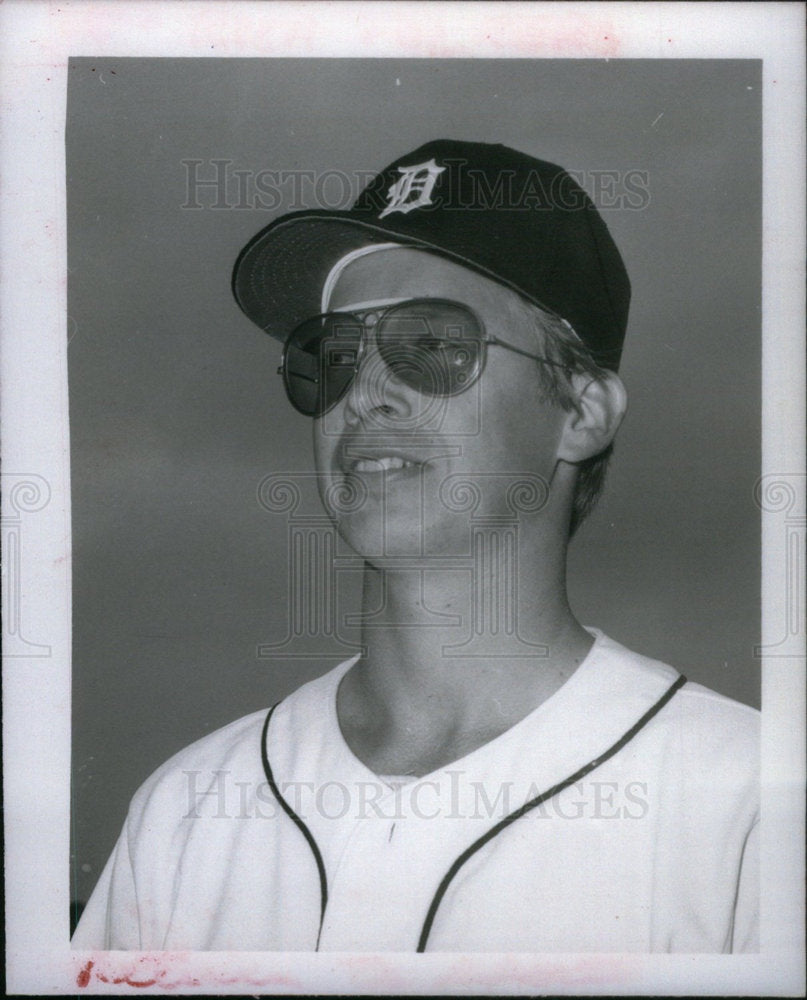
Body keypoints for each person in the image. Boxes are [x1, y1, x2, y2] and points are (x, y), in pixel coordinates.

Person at [73, 139, 758, 952]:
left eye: (431, 345)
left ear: (581, 412)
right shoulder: (186, 810)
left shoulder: (748, 805)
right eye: (330, 355)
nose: (364, 394)